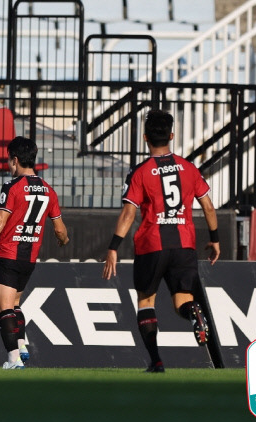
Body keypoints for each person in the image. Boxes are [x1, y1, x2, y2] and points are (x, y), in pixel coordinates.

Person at [102, 109, 220, 373]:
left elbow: (128, 212)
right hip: (184, 244)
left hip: (152, 244)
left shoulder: (140, 172)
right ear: (172, 135)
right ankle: (194, 313)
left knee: (146, 301)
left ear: (145, 138)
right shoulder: (189, 168)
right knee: (182, 302)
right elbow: (209, 207)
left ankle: (156, 361)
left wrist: (112, 247)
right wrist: (215, 240)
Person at [0, 136, 69, 369]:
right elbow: (60, 230)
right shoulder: (48, 190)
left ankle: (13, 358)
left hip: (7, 253)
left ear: (14, 160)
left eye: (8, 161)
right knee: (15, 304)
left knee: (5, 308)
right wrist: (63, 240)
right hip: (29, 258)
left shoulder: (12, 187)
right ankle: (21, 346)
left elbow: (1, 221)